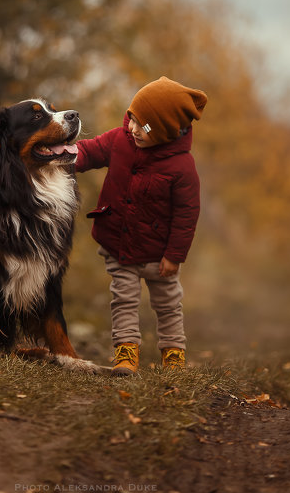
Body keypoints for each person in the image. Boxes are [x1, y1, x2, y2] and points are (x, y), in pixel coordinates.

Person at [75, 76, 207, 375]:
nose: (133, 128)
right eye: (132, 118)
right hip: (118, 245)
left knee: (168, 305)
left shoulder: (182, 167)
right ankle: (126, 353)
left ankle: (173, 355)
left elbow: (187, 214)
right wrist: (66, 157)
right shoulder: (120, 140)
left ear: (165, 131)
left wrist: (174, 255)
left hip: (160, 254)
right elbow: (91, 150)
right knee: (123, 299)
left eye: (143, 125)